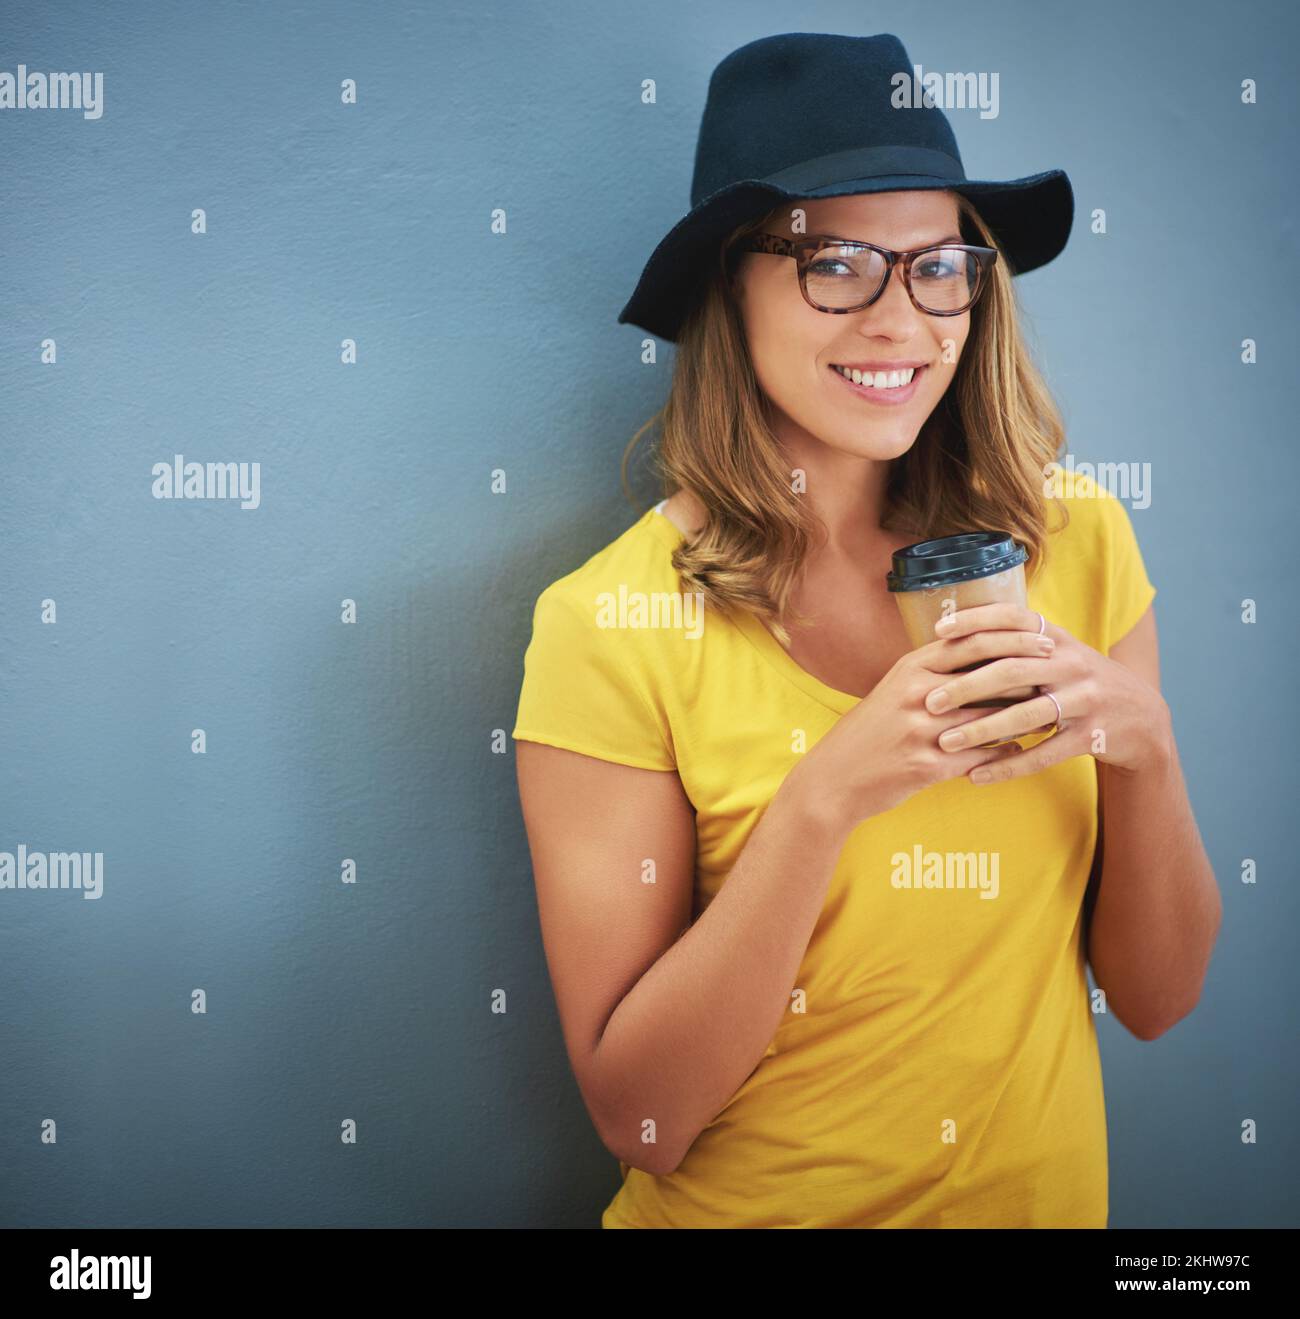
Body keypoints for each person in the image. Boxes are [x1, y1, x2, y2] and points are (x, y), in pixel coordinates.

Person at [511, 33, 1220, 1228]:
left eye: (938, 267)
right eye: (835, 264)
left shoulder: (1078, 540)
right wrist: (822, 800)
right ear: (729, 287)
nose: (902, 321)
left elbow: (1159, 997)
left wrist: (1143, 746)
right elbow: (641, 1120)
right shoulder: (609, 625)